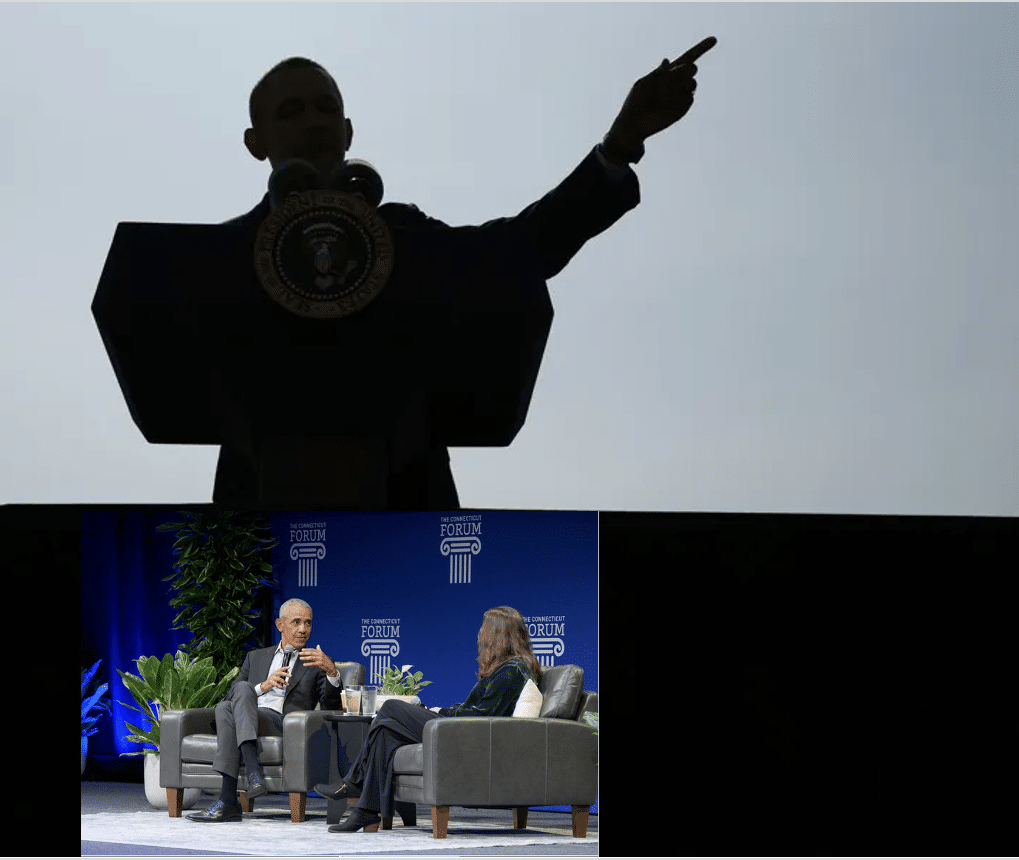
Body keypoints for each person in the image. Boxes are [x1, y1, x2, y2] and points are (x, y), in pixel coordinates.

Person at [213, 40, 718, 509]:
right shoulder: (215, 260)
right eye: (291, 111)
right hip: (254, 528)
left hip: (408, 521)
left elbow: (525, 247)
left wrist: (620, 143)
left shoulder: (402, 238)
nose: (315, 121)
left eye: (326, 107)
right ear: (255, 142)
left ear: (349, 132)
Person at [314, 606, 543, 833]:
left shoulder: (512, 670)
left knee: (391, 707)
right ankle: (366, 811)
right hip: (461, 729)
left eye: (484, 629)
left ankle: (353, 782)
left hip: (466, 736)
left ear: (498, 636)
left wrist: (440, 713)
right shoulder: (508, 669)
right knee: (386, 730)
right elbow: (476, 709)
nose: (479, 635)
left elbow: (480, 716)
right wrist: (442, 709)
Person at [187, 598, 344, 823]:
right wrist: (264, 686)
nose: (303, 629)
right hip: (249, 718)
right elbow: (230, 697)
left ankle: (232, 795)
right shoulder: (256, 657)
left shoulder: (316, 662)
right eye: (296, 622)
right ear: (280, 625)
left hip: (284, 724)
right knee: (229, 702)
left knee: (227, 708)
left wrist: (331, 671)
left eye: (308, 623)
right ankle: (246, 782)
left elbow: (331, 709)